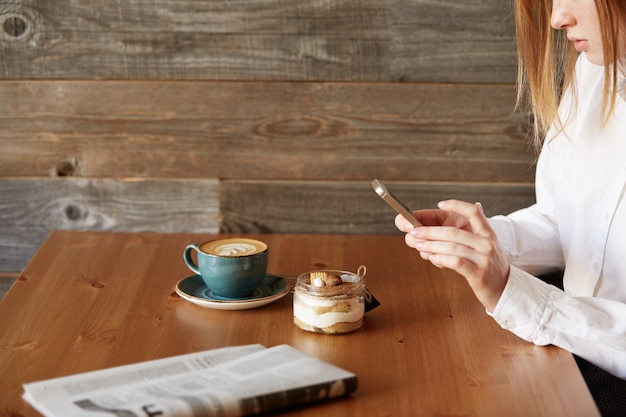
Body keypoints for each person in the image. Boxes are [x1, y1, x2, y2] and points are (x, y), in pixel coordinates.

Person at [395, 0, 626, 415]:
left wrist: (511, 292)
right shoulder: (596, 68)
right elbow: (567, 219)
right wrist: (485, 242)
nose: (557, 19)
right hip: (567, 357)